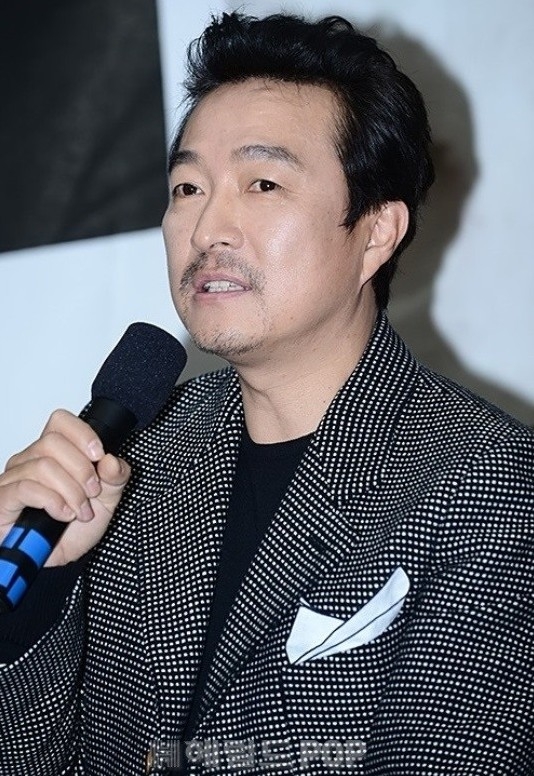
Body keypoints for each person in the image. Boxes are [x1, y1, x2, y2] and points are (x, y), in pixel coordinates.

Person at [0, 11, 533, 775]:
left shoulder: (484, 483)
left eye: (263, 183)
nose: (208, 227)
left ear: (376, 232)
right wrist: (36, 600)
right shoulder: (135, 457)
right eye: (188, 187)